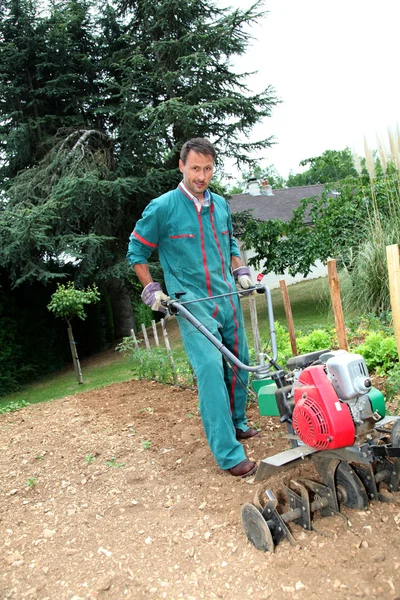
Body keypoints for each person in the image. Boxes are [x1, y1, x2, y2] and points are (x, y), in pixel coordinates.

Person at [127, 138, 260, 477]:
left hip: (226, 297)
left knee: (239, 363)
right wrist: (152, 289)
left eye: (208, 169)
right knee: (211, 371)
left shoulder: (220, 204)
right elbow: (137, 252)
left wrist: (239, 268)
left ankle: (238, 422)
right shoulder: (163, 208)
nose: (202, 176)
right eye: (195, 168)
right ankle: (230, 454)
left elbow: (229, 240)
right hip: (192, 304)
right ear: (181, 167)